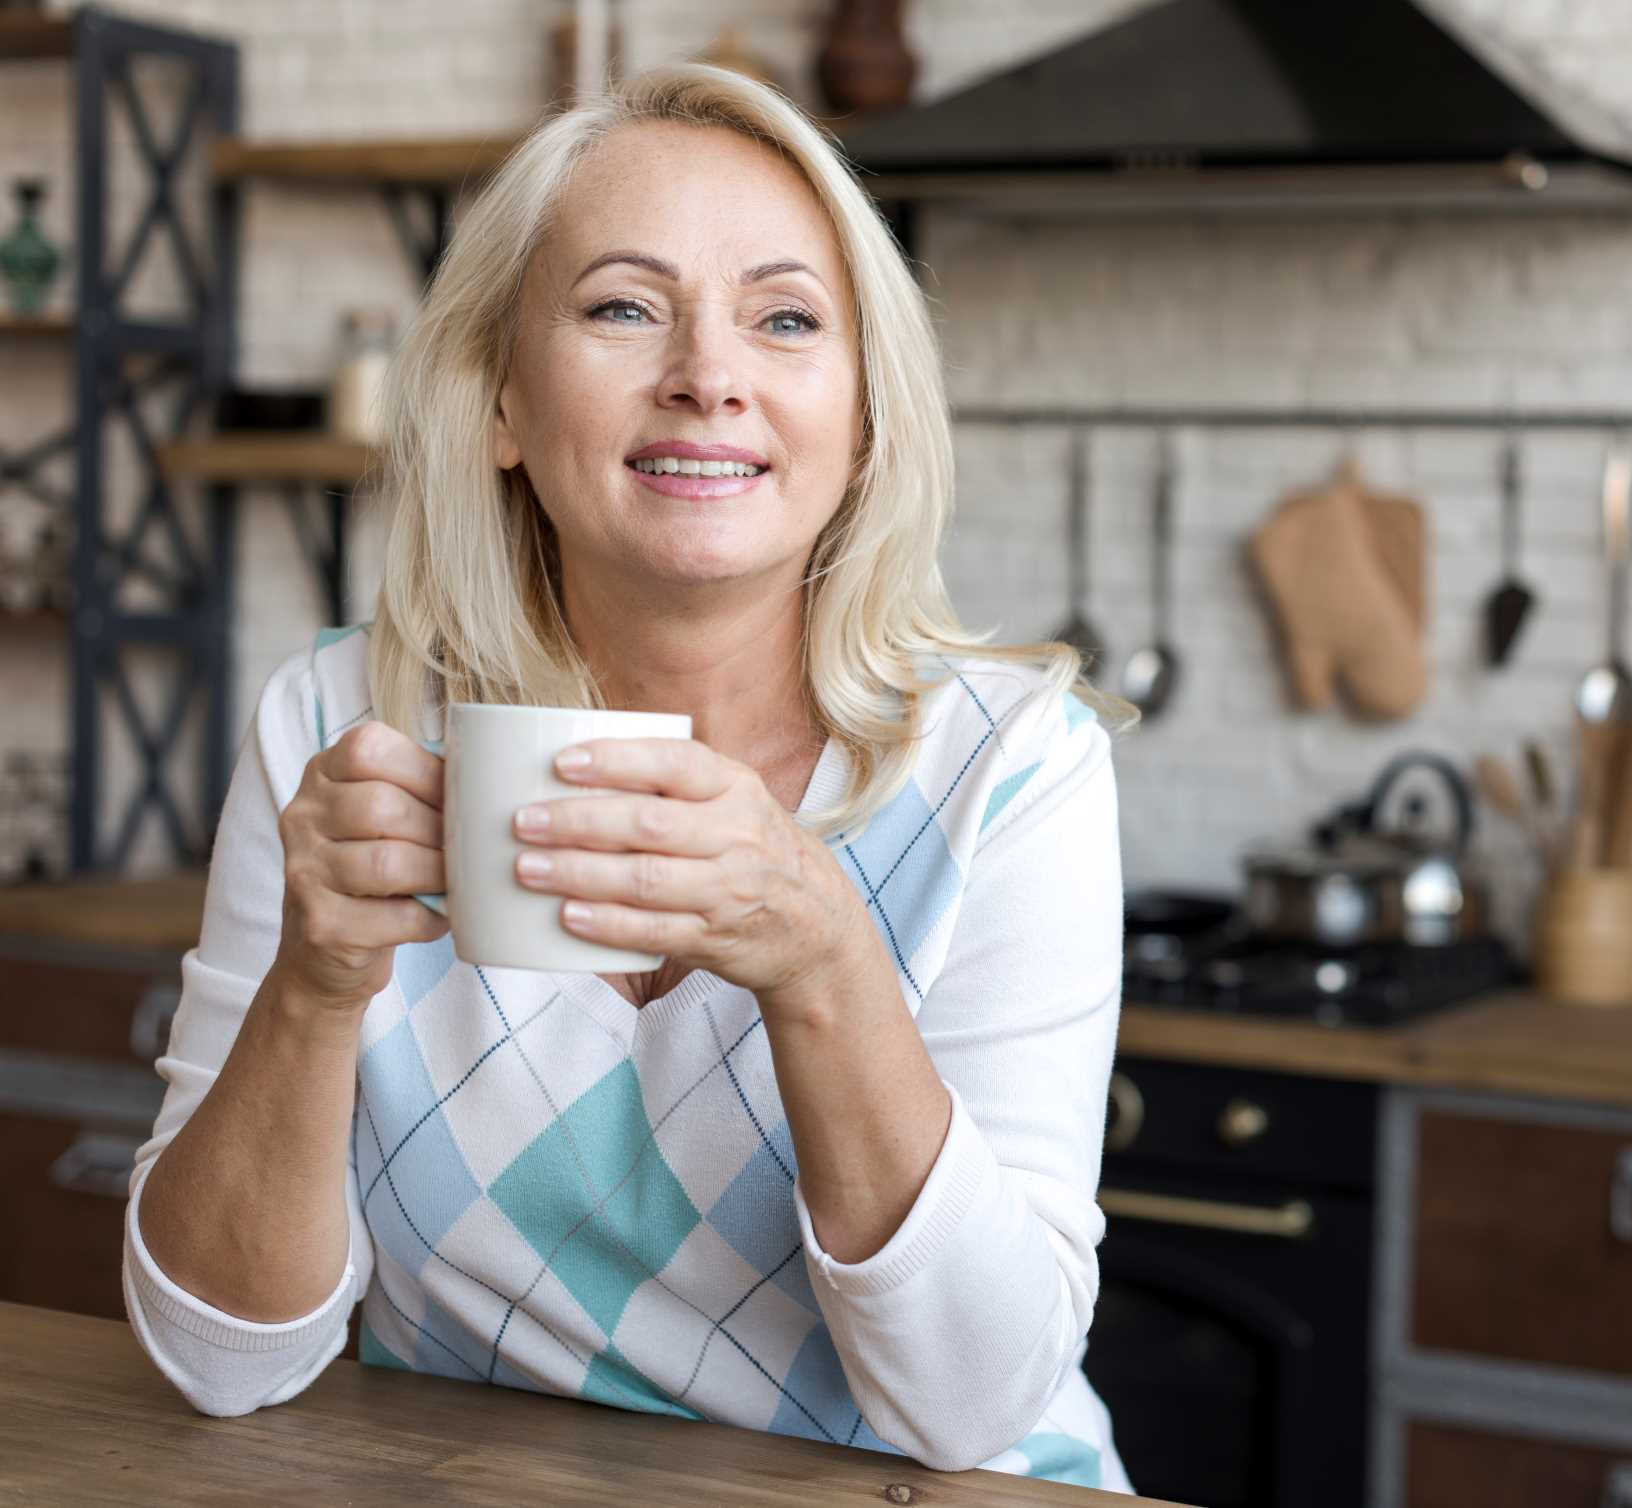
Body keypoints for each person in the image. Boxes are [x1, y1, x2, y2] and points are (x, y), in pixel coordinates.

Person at [123, 63, 1137, 1491]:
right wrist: (312, 989)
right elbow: (222, 1364)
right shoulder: (346, 724)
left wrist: (826, 958)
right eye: (621, 308)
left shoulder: (1009, 768)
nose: (709, 375)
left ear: (862, 424)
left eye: (786, 319)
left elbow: (971, 1409)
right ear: (500, 404)